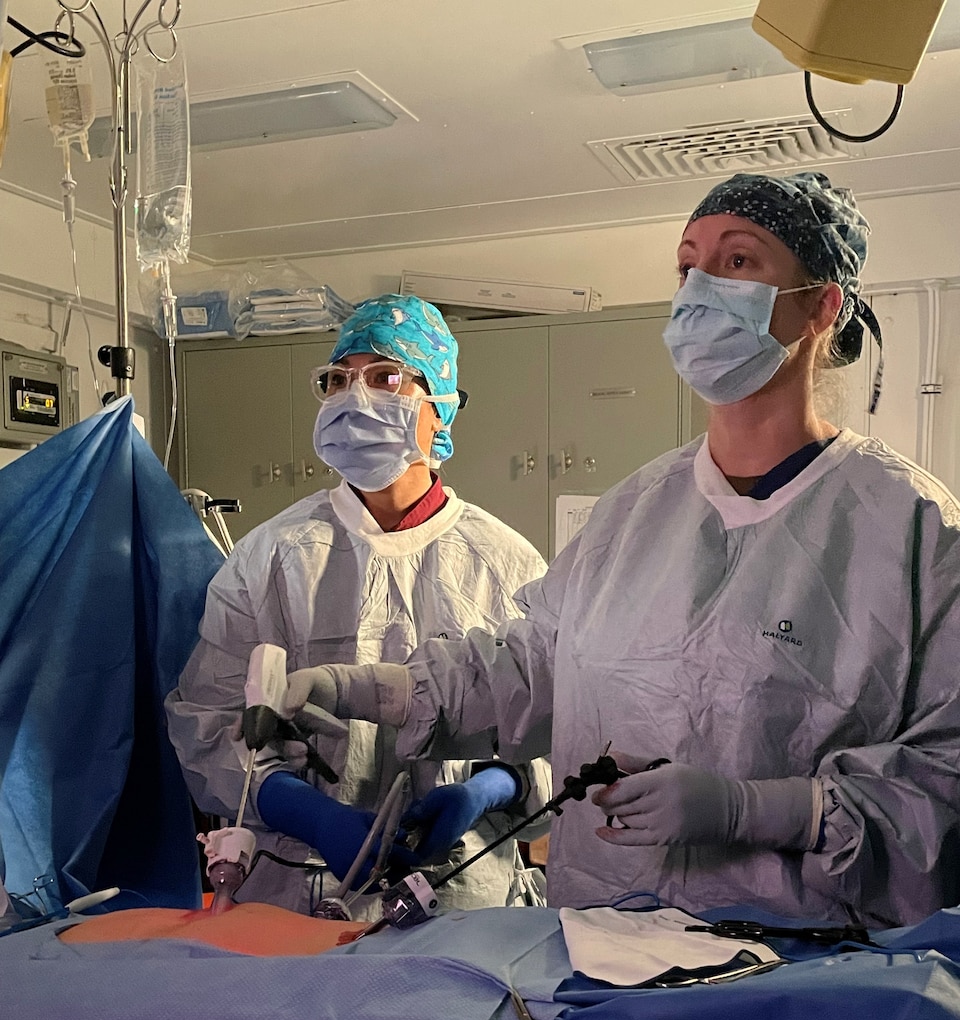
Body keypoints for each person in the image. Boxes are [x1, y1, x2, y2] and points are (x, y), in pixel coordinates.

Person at [283, 173, 960, 928]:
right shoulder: (634, 512)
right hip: (604, 945)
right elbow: (532, 664)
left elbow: (947, 778)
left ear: (821, 306)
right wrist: (372, 690)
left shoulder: (911, 529)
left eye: (739, 262)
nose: (701, 288)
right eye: (688, 266)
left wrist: (768, 810)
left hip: (806, 975)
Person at [166, 294, 551, 914]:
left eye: (385, 377)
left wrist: (492, 787)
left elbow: (552, 723)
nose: (355, 396)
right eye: (338, 380)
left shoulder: (505, 565)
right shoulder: (270, 559)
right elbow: (206, 723)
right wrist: (301, 809)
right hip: (298, 885)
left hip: (462, 890)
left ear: (441, 407)